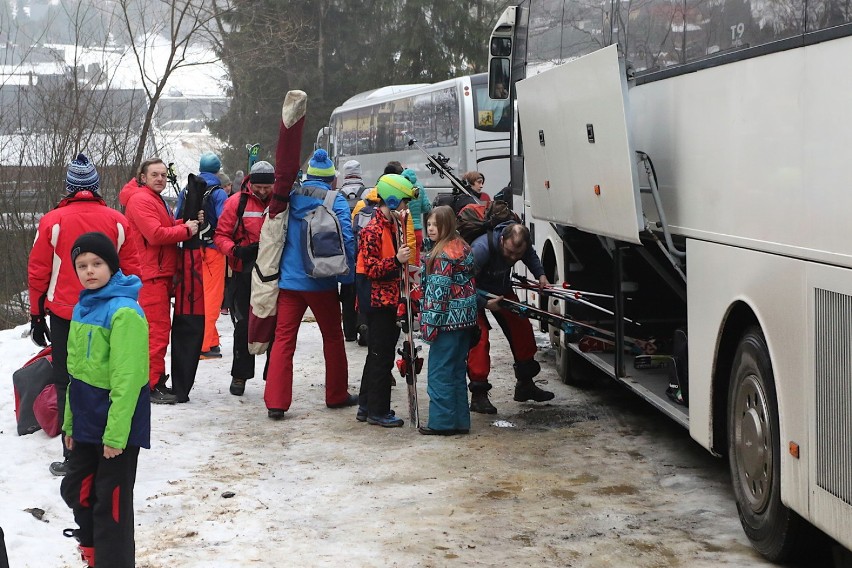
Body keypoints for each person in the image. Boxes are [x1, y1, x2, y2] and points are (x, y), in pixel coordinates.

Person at [28, 153, 141, 477]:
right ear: (95, 186)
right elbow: (133, 268)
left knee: (69, 380)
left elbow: (38, 270)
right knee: (110, 378)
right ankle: (112, 441)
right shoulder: (118, 220)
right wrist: (131, 306)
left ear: (69, 188)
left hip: (66, 312)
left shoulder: (52, 220)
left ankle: (72, 451)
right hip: (112, 312)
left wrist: (37, 314)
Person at [59, 232, 150, 568]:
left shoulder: (125, 312)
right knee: (77, 489)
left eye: (97, 263)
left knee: (111, 506)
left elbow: (128, 379)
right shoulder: (83, 307)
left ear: (111, 265)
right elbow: (75, 374)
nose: (89, 271)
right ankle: (93, 553)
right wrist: (69, 422)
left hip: (116, 425)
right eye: (82, 265)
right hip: (85, 420)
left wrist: (116, 435)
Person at [264, 149, 358, 419]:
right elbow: (346, 241)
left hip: (291, 282)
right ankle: (336, 394)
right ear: (331, 179)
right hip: (323, 283)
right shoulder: (335, 200)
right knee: (332, 337)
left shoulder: (291, 199)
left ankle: (276, 402)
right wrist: (346, 279)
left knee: (283, 340)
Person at [119, 158, 200, 404]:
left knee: (156, 332)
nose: (160, 179)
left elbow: (162, 226)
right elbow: (155, 235)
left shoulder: (153, 199)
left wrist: (185, 223)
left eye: (164, 175)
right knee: (156, 333)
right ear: (142, 177)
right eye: (154, 175)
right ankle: (152, 384)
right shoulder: (141, 200)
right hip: (150, 277)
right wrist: (187, 230)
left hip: (158, 275)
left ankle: (153, 379)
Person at [467, 222, 555, 414]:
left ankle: (525, 385)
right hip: (475, 294)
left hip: (501, 289)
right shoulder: (480, 249)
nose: (513, 258)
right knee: (479, 339)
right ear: (501, 240)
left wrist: (541, 275)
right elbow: (462, 284)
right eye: (509, 253)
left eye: (517, 254)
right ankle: (478, 395)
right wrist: (483, 303)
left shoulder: (520, 246)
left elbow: (530, 255)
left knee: (521, 327)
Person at [355, 173, 417, 427]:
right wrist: (396, 261)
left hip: (389, 298)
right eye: (403, 203)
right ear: (391, 201)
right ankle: (377, 411)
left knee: (377, 354)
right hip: (378, 300)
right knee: (382, 356)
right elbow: (370, 268)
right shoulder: (373, 229)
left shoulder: (392, 227)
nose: (405, 209)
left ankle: (366, 405)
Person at [214, 160, 274, 396]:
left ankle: (274, 377)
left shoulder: (281, 202)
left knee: (275, 325)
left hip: (274, 271)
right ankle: (240, 376)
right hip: (244, 271)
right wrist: (236, 251)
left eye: (266, 188)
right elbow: (221, 236)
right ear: (251, 183)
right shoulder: (236, 202)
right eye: (258, 187)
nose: (262, 191)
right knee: (244, 326)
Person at [418, 206, 478, 435]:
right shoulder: (462, 247)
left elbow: (437, 294)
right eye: (430, 224)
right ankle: (461, 421)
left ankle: (442, 423)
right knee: (456, 371)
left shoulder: (443, 254)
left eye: (436, 225)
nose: (431, 229)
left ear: (447, 225)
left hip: (446, 322)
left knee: (439, 373)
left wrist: (429, 327)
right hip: (465, 320)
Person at [337, 160, 366, 342]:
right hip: (362, 248)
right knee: (362, 288)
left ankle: (348, 331)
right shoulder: (366, 194)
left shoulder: (338, 195)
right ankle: (362, 323)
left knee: (347, 289)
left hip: (344, 249)